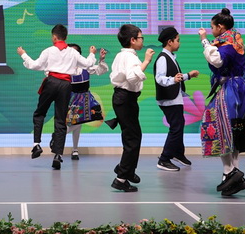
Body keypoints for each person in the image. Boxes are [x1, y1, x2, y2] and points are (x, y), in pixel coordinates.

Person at [198, 8, 245, 197]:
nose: (211, 30)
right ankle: (231, 174)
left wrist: (204, 40)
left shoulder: (226, 42)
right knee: (234, 131)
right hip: (243, 88)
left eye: (213, 27)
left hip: (231, 89)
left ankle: (230, 172)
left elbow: (217, 61)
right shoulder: (236, 38)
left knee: (220, 127)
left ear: (220, 27)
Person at [17, 24, 96, 170]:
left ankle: (36, 144)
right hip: (66, 86)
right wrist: (92, 53)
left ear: (54, 37)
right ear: (66, 37)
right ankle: (58, 154)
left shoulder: (49, 51)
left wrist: (23, 54)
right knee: (60, 119)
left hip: (51, 82)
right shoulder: (73, 53)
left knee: (40, 113)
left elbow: (34, 65)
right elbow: (88, 63)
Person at [109, 24, 154, 192]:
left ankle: (126, 170)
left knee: (132, 137)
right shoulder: (130, 57)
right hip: (126, 98)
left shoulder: (122, 55)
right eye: (141, 37)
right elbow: (132, 77)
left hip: (123, 98)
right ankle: (121, 178)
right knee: (132, 139)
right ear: (133, 40)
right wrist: (146, 61)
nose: (143, 41)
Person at [154, 27, 199, 171]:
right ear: (170, 41)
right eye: (178, 40)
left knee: (179, 125)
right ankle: (164, 159)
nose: (179, 43)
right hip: (169, 99)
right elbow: (160, 78)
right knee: (176, 127)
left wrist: (188, 76)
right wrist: (174, 79)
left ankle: (178, 153)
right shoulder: (163, 58)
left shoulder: (170, 57)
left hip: (175, 98)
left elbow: (176, 77)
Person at [65, 44, 109, 160]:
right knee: (75, 123)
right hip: (70, 98)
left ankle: (74, 149)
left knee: (79, 122)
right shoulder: (65, 67)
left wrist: (101, 59)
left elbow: (101, 70)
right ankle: (63, 139)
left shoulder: (86, 66)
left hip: (84, 98)